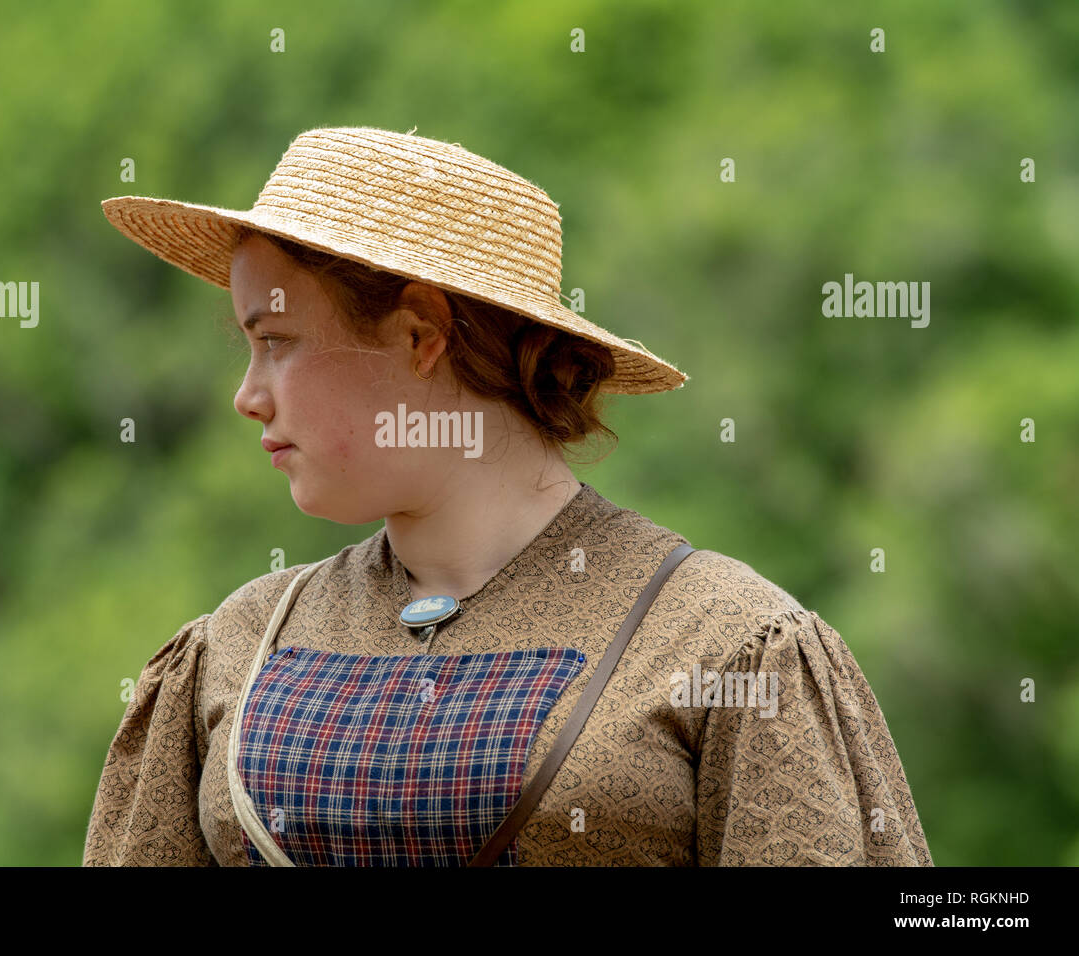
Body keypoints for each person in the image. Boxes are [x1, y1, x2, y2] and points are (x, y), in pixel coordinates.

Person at [83, 126, 932, 866]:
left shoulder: (732, 646)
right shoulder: (235, 648)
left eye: (275, 342)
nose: (248, 395)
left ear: (420, 335)